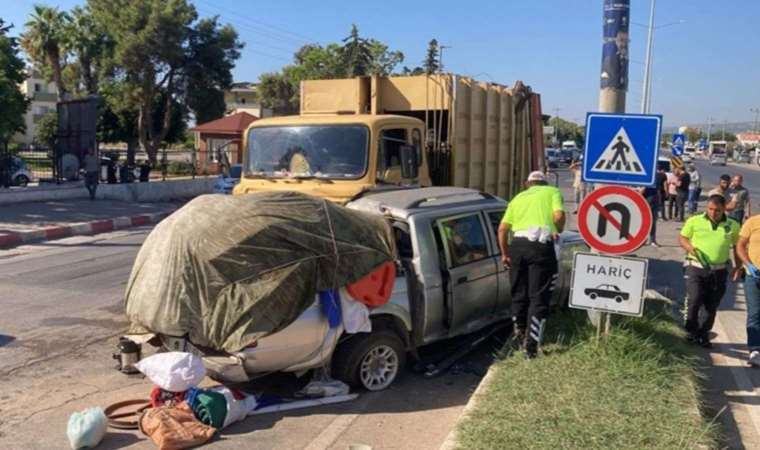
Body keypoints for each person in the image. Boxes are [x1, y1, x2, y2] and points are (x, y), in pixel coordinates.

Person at [498, 171, 565, 358]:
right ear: (544, 183)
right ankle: (531, 348)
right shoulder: (552, 192)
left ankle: (518, 335)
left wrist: (505, 254)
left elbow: (502, 229)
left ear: (527, 184)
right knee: (538, 297)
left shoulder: (517, 198)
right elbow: (558, 216)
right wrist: (557, 228)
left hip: (517, 246)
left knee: (519, 293)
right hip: (541, 247)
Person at [679, 195, 741, 347]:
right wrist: (690, 248)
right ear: (707, 207)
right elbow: (682, 238)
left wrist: (738, 267)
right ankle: (691, 330)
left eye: (717, 210)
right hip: (695, 266)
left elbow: (737, 247)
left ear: (724, 209)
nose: (713, 213)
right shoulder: (695, 220)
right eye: (711, 209)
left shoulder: (732, 225)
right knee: (694, 298)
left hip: (719, 271)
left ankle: (703, 334)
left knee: (711, 305)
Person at [737, 213, 760, 366]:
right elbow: (740, 246)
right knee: (755, 313)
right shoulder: (752, 222)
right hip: (753, 276)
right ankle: (755, 350)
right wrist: (747, 264)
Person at [639, 165, 668, 247]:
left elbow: (656, 190)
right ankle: (648, 240)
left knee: (649, 222)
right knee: (648, 222)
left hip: (651, 201)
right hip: (648, 202)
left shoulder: (654, 177)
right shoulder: (649, 178)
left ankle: (649, 240)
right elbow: (642, 190)